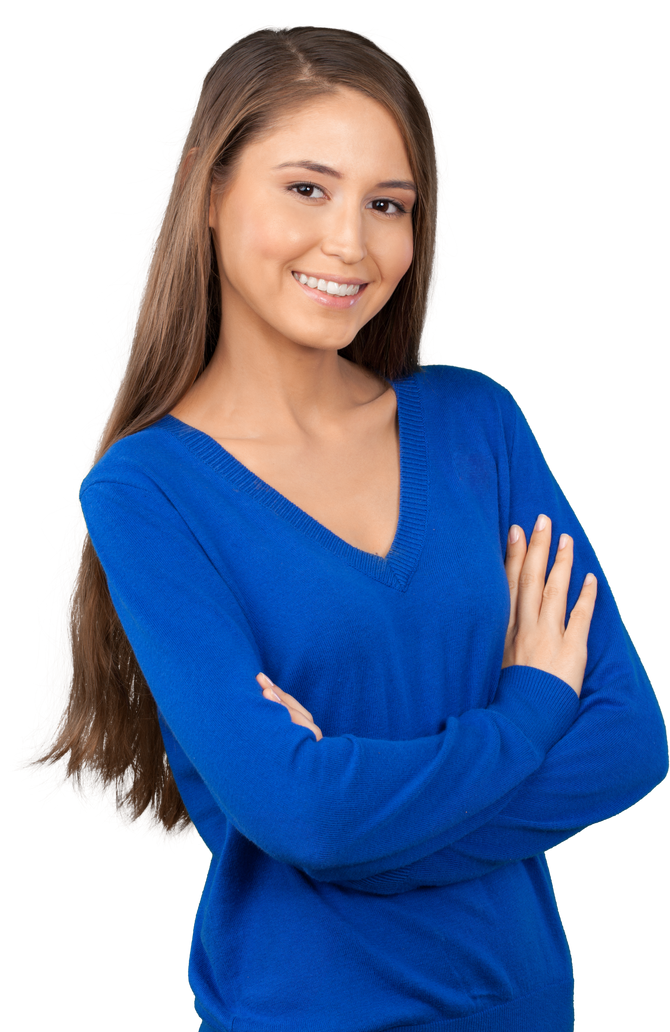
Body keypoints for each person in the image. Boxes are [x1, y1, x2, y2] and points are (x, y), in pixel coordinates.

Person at [25, 24, 668, 1032]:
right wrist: (534, 705)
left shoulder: (475, 422)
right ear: (207, 185)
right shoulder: (146, 493)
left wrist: (363, 835)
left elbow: (630, 742)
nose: (350, 243)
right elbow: (305, 816)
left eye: (388, 205)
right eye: (307, 188)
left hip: (523, 1007)